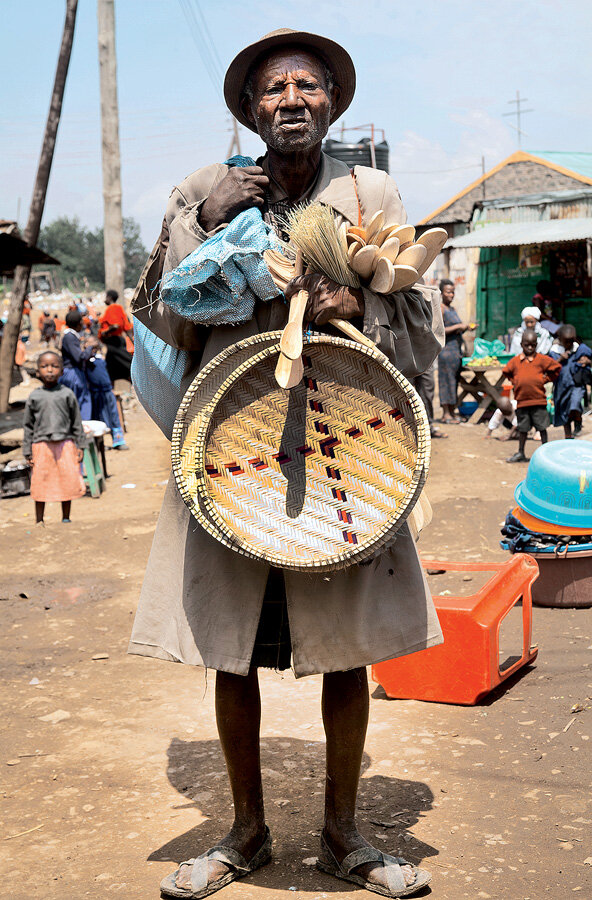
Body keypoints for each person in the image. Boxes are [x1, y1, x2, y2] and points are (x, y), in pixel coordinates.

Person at [130, 28, 443, 900]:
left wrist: (358, 304)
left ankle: (345, 835)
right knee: (232, 651)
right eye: (274, 89)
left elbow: (420, 329)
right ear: (250, 109)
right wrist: (209, 219)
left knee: (346, 650)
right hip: (231, 453)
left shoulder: (369, 191)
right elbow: (158, 310)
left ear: (332, 104)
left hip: (350, 453)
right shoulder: (205, 187)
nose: (293, 99)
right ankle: (246, 831)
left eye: (309, 85)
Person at [22, 351, 86, 525]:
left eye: (54, 366)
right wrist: (27, 451)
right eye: (44, 366)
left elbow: (76, 422)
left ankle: (66, 517)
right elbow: (28, 426)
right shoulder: (35, 396)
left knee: (67, 480)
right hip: (41, 446)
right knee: (40, 481)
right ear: (37, 371)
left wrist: (81, 445)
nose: (49, 370)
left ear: (62, 370)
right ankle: (39, 520)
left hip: (65, 444)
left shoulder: (67, 394)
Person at [502, 329, 561, 462]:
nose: (530, 347)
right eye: (527, 344)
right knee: (523, 429)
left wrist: (544, 379)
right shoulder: (516, 361)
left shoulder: (541, 359)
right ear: (521, 344)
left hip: (538, 401)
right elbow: (506, 371)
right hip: (522, 401)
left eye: (533, 345)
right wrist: (515, 381)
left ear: (536, 344)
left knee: (542, 428)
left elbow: (556, 368)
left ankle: (546, 454)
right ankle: (521, 452)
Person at [436, 279, 475, 423]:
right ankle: (446, 414)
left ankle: (452, 412)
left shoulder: (452, 309)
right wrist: (459, 326)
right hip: (446, 351)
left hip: (456, 351)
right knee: (446, 382)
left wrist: (465, 327)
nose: (451, 294)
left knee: (454, 382)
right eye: (448, 292)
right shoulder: (441, 308)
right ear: (441, 293)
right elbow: (439, 330)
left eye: (453, 292)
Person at [84, 337, 128, 450]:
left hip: (107, 391)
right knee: (99, 417)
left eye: (94, 342)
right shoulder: (86, 360)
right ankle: (100, 444)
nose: (93, 344)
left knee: (113, 416)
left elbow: (110, 372)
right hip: (95, 393)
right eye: (89, 342)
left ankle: (118, 441)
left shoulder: (102, 358)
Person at [550, 324, 592, 438]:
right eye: (565, 342)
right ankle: (568, 435)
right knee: (565, 411)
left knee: (575, 405)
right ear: (560, 340)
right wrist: (560, 359)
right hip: (561, 386)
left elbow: (589, 358)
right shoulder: (554, 352)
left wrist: (588, 361)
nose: (568, 344)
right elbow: (550, 367)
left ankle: (578, 422)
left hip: (576, 385)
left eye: (570, 341)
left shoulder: (580, 349)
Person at [58, 309, 95, 418]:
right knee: (80, 401)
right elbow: (79, 357)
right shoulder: (70, 337)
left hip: (73, 372)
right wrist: (90, 348)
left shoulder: (71, 336)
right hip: (73, 374)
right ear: (79, 324)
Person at [99, 289, 133, 384]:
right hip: (117, 341)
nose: (104, 300)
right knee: (111, 367)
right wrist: (133, 342)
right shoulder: (120, 308)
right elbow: (127, 328)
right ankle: (112, 390)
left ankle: (139, 380)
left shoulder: (112, 308)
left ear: (109, 298)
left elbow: (115, 325)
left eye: (105, 297)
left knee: (127, 363)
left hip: (113, 342)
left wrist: (105, 332)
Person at [413, 364, 447, 438]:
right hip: (403, 357)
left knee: (427, 393)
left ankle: (427, 428)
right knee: (403, 391)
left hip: (425, 358)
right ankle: (406, 430)